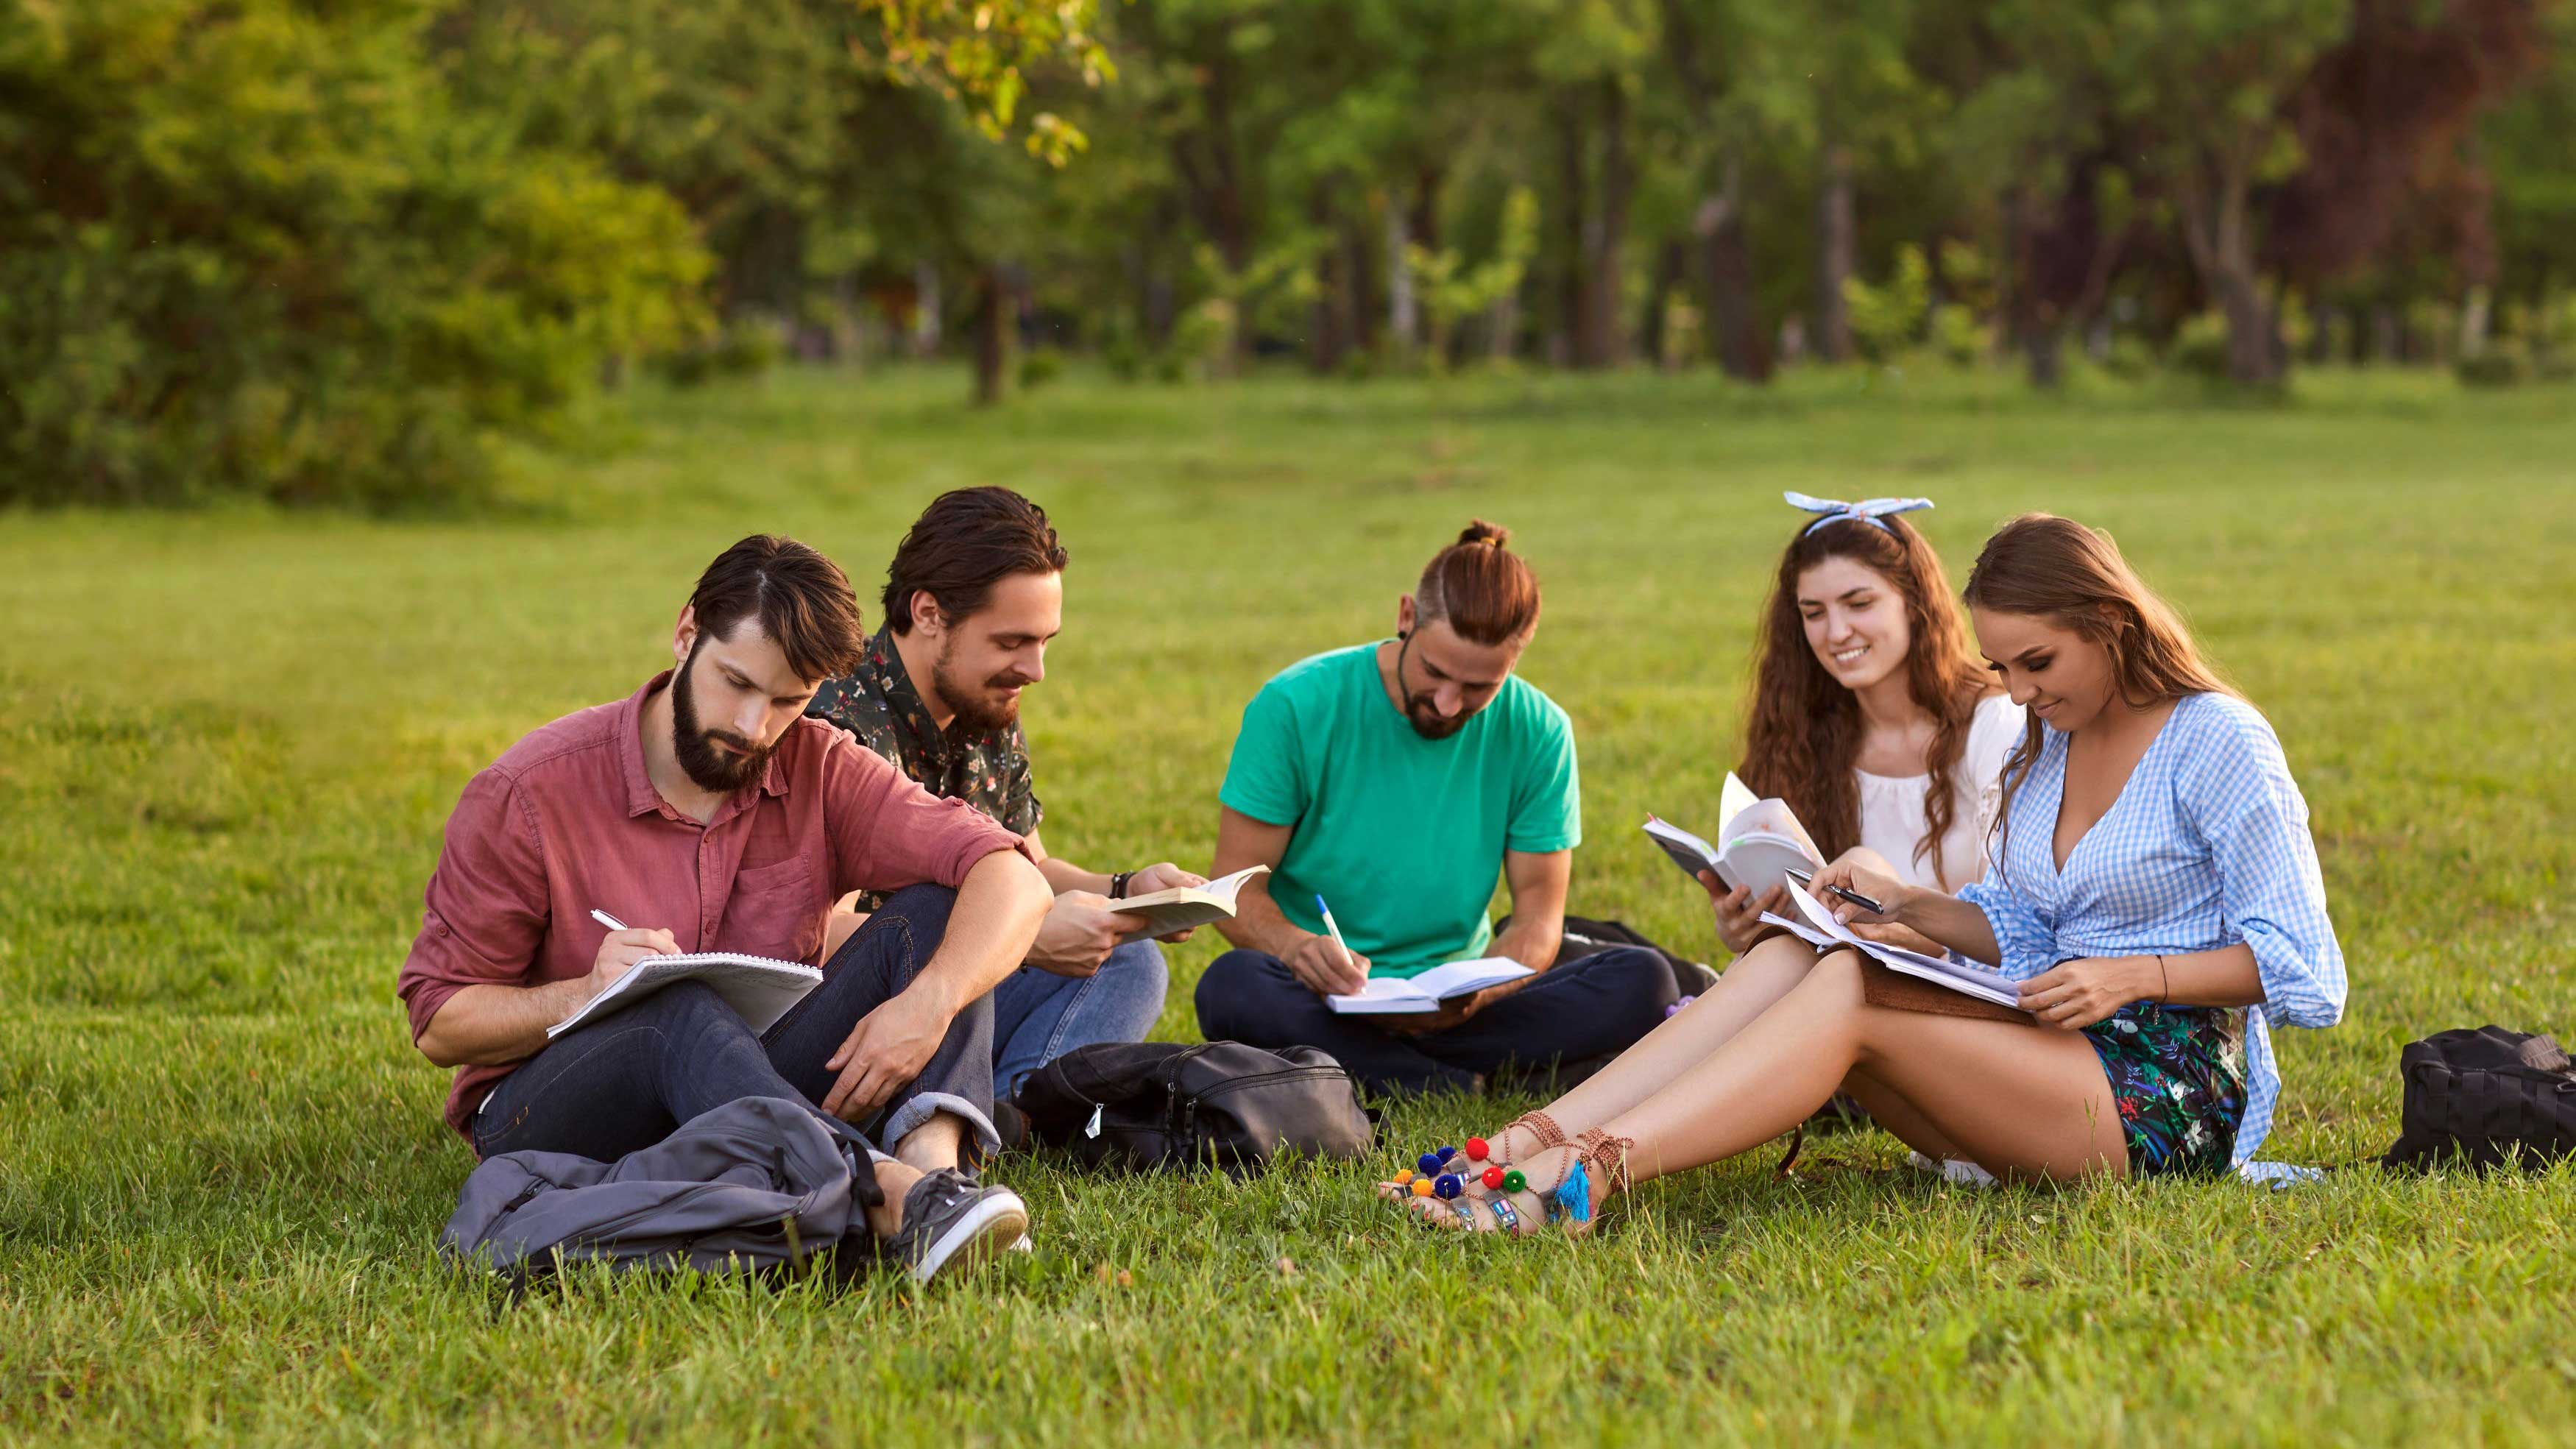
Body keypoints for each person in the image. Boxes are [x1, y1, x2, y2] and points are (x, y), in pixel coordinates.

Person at [1389, 512, 2346, 1235]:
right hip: (2043, 1043)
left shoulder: (2218, 740)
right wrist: (1903, 905)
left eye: (2037, 662)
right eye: (2004, 668)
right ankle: (1518, 1145)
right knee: (1817, 941)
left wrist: (2139, 975)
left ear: (2111, 622)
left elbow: (2307, 970)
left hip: (2166, 1093)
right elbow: (2024, 925)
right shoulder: (2047, 745)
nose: (2017, 692)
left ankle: (1587, 1177)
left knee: (1847, 987)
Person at [397, 535, 1055, 1280]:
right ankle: (887, 1195)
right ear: (685, 634)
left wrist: (928, 1003)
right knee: (670, 1011)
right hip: (557, 1116)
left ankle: (936, 1177)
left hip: (748, 1079)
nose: (752, 726)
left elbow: (1014, 876)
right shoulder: (526, 791)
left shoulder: (819, 762)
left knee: (939, 910)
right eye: (735, 682)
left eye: (786, 701)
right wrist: (587, 994)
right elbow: (440, 1020)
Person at [1194, 521, 1677, 1097]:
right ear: (1405, 616)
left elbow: (1537, 919)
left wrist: (1481, 994)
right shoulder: (1296, 704)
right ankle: (1463, 1080)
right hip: (1324, 994)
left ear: (1515, 662)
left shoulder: (1540, 730)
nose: (1449, 704)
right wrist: (1299, 950)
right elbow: (1232, 890)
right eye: (1435, 672)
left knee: (1645, 978)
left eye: (1479, 687)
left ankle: (1397, 1071)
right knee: (1231, 987)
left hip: (1463, 1006)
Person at [807, 486, 1190, 1102]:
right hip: (870, 1008)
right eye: (1013, 642)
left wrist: (1127, 890)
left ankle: (1016, 1108)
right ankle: (1004, 1104)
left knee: (1131, 962)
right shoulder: (840, 728)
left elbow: (1032, 871)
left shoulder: (985, 701)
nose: (1035, 669)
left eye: (1045, 642)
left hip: (961, 989)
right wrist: (1020, 944)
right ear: (929, 613)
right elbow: (817, 938)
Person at [1708, 492, 2023, 959]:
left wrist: (1895, 928)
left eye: (1859, 604)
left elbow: (2016, 927)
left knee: (1859, 869)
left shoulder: (1992, 724)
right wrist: (1744, 930)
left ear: (1913, 602)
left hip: (1969, 989)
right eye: (1814, 613)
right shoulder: (1802, 734)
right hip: (1831, 983)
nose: (1836, 633)